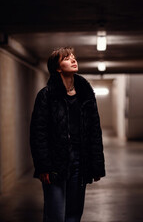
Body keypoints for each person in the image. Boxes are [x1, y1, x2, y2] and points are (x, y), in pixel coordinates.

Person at [30, 47, 106, 222]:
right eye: (66, 58)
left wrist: (96, 165)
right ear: (57, 68)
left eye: (73, 57)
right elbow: (38, 133)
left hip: (80, 162)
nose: (73, 60)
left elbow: (95, 131)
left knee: (74, 214)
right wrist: (43, 166)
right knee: (55, 214)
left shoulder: (86, 95)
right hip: (55, 163)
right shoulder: (46, 96)